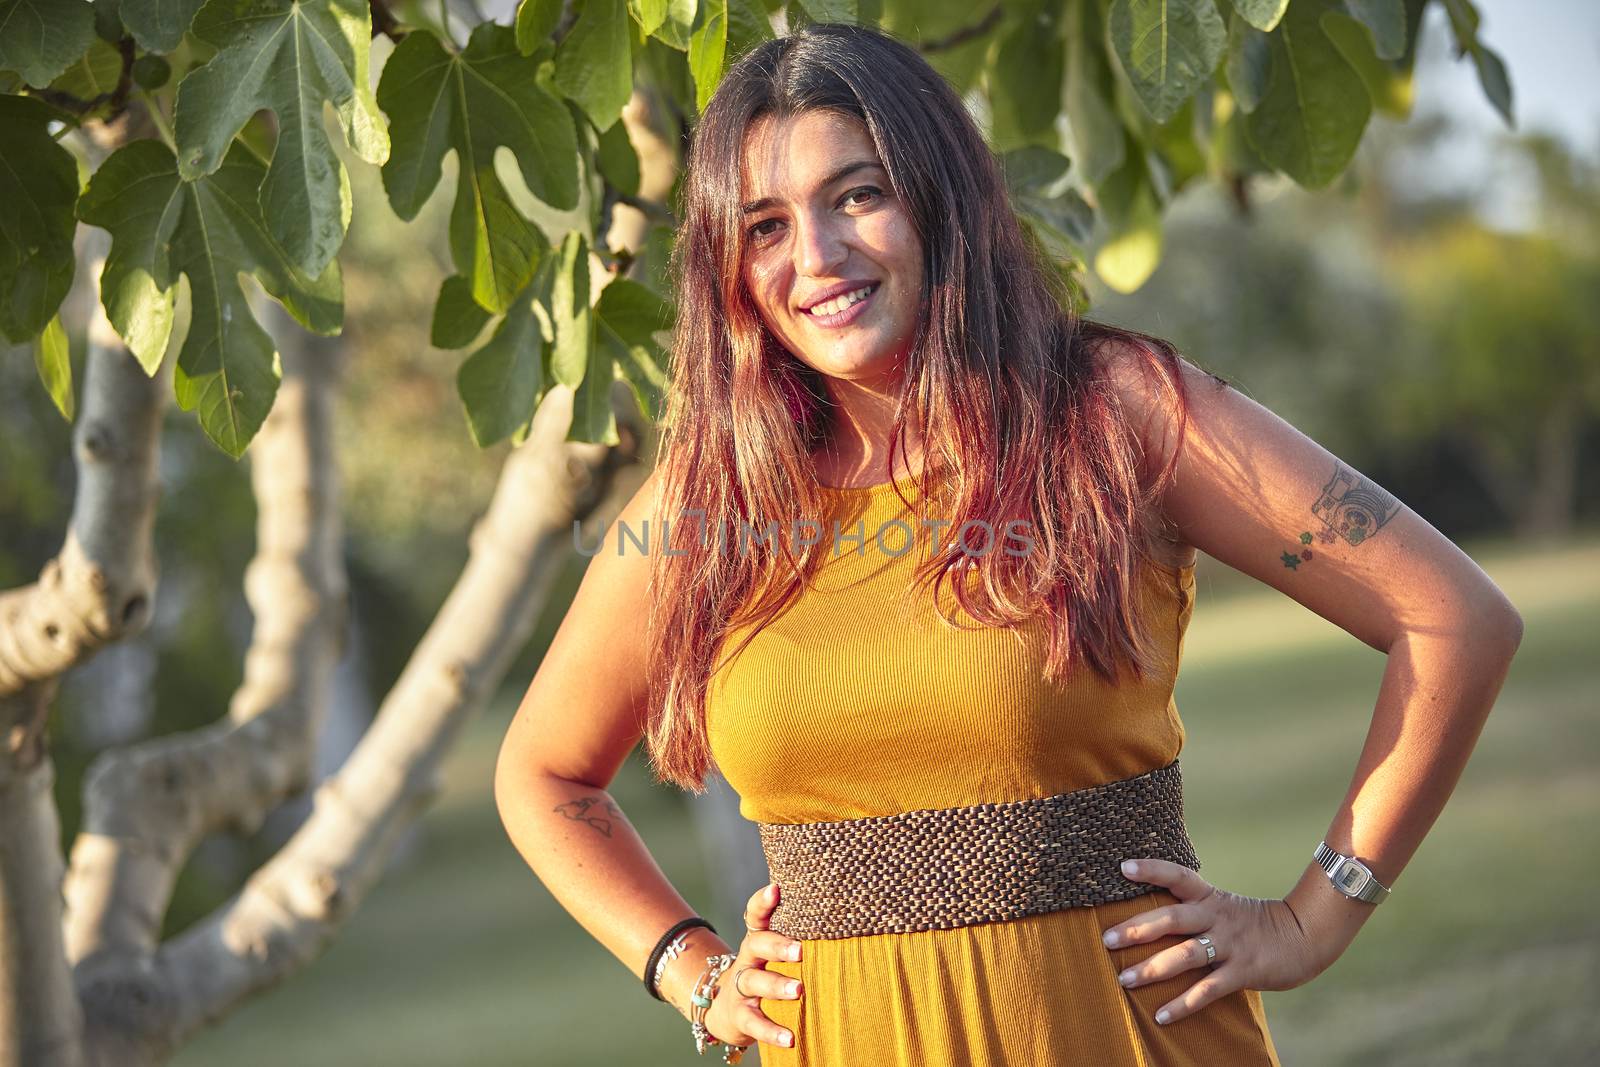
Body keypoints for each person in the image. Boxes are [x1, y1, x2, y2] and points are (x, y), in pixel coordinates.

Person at [493, 22, 1524, 1066]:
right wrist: (689, 966)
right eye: (764, 225)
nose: (816, 257)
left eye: (858, 195)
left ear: (940, 197)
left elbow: (1452, 616)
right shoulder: (712, 495)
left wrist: (1314, 914)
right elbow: (543, 771)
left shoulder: (1112, 412)